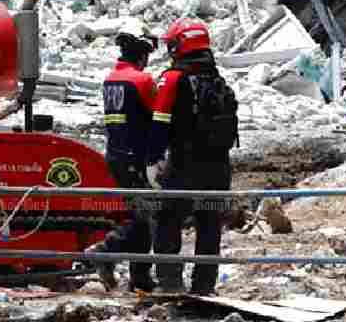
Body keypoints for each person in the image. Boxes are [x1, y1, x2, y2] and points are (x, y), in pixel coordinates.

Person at [147, 19, 238, 295]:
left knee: (168, 222)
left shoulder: (173, 78)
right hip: (219, 167)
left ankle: (170, 282)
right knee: (209, 226)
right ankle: (204, 285)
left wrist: (153, 160)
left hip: (184, 166)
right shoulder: (217, 79)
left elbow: (159, 122)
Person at [84, 21, 159, 292]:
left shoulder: (111, 79)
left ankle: (139, 277)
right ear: (141, 53)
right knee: (145, 218)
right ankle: (106, 250)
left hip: (116, 154)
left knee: (140, 214)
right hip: (135, 158)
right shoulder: (142, 80)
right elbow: (160, 117)